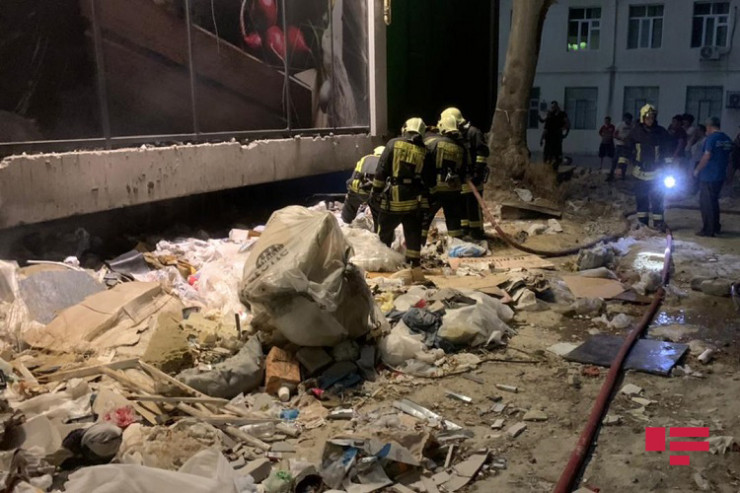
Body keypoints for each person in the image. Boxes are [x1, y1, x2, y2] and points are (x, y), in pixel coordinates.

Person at [371, 117, 433, 266]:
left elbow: (381, 171)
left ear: (405, 129)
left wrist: (376, 192)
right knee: (413, 233)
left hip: (394, 199)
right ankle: (414, 263)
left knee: (384, 231)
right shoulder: (425, 151)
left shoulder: (393, 144)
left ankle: (382, 261)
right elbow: (429, 179)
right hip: (414, 199)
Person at [440, 107, 490, 240]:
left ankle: (476, 231)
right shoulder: (455, 134)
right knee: (461, 205)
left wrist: (476, 173)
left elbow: (482, 154)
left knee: (473, 205)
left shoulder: (473, 132)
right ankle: (464, 230)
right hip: (461, 178)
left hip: (473, 177)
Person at [421, 114, 468, 244]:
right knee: (453, 219)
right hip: (454, 189)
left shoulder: (432, 143)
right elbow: (464, 170)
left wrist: (428, 186)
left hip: (435, 189)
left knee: (424, 218)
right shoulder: (460, 147)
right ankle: (456, 245)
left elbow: (426, 166)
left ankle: (419, 244)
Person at [626, 104, 671, 231]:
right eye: (647, 118)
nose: (650, 120)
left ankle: (658, 223)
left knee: (657, 199)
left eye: (652, 118)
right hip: (639, 172)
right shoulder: (635, 132)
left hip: (657, 173)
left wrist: (668, 168)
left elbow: (667, 151)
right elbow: (626, 150)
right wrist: (620, 167)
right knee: (641, 199)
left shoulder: (661, 132)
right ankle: (643, 224)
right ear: (642, 118)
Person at [693, 116, 732, 237]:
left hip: (708, 175)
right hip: (720, 175)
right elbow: (730, 158)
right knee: (714, 202)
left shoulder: (711, 139)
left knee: (706, 203)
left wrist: (697, 169)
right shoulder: (726, 139)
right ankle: (716, 226)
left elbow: (707, 156)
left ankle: (708, 230)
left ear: (709, 127)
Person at [340, 146, 385, 225]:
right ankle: (380, 229)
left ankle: (345, 223)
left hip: (357, 190)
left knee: (350, 206)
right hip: (374, 194)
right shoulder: (386, 162)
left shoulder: (365, 158)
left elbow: (354, 175)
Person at [539, 101, 570, 168]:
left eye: (554, 107)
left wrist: (565, 133)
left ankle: (553, 169)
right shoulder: (550, 116)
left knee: (557, 157)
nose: (552, 108)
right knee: (547, 157)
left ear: (557, 106)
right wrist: (541, 139)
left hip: (557, 139)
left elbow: (567, 125)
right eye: (552, 107)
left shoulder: (562, 114)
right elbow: (545, 129)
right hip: (549, 140)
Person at [609, 112, 634, 181]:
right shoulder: (620, 125)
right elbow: (614, 135)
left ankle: (623, 175)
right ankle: (611, 175)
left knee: (624, 162)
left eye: (630, 120)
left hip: (627, 146)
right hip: (619, 145)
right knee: (615, 160)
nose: (629, 121)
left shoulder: (632, 126)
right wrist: (621, 138)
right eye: (627, 119)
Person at [689, 124, 707, 195]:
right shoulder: (697, 140)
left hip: (700, 161)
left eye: (697, 130)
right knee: (694, 177)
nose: (695, 132)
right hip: (695, 160)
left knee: (698, 178)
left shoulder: (705, 140)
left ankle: (698, 193)